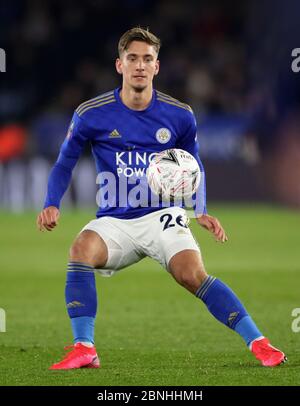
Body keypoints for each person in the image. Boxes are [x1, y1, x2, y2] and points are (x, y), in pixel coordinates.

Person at [37, 27, 286, 370]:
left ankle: (260, 343)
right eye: (133, 58)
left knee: (192, 275)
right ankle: (84, 347)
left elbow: (194, 163)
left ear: (157, 67)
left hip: (163, 215)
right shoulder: (91, 113)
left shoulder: (179, 114)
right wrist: (52, 201)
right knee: (80, 250)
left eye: (147, 59)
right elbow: (65, 161)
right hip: (115, 220)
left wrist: (200, 208)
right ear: (119, 65)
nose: (140, 65)